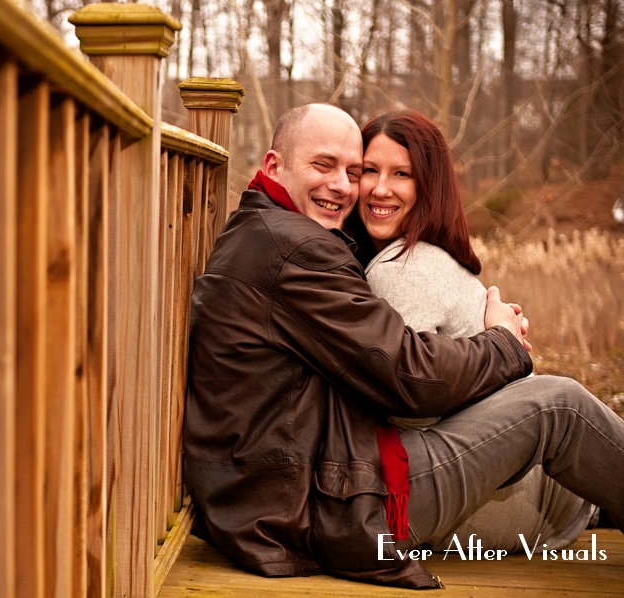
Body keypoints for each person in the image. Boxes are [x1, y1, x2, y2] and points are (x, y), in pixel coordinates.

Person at [183, 103, 624, 589]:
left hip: (297, 492)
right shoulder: (296, 250)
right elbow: (409, 378)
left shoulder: (271, 234)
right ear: (273, 166)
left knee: (554, 411)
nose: (348, 186)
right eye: (325, 165)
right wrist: (502, 342)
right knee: (558, 404)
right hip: (328, 503)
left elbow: (393, 367)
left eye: (353, 170)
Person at [347, 107, 597, 553]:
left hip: (505, 506)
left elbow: (411, 416)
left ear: (429, 186)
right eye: (370, 170)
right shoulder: (428, 258)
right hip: (540, 497)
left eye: (401, 174)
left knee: (563, 402)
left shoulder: (399, 269)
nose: (380, 188)